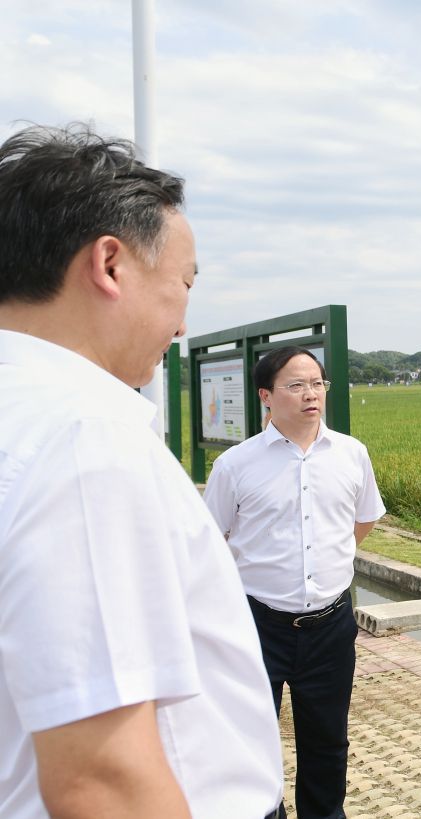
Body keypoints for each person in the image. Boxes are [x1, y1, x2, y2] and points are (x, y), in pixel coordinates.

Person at [0, 124, 282, 818]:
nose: (183, 322)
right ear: (110, 264)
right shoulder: (83, 436)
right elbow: (103, 777)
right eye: (183, 282)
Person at [204, 345, 385, 819]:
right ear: (266, 395)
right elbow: (211, 542)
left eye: (318, 384)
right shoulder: (236, 465)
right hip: (257, 624)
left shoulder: (352, 453)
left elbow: (362, 521)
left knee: (327, 741)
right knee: (251, 740)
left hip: (330, 624)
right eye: (297, 385)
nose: (312, 394)